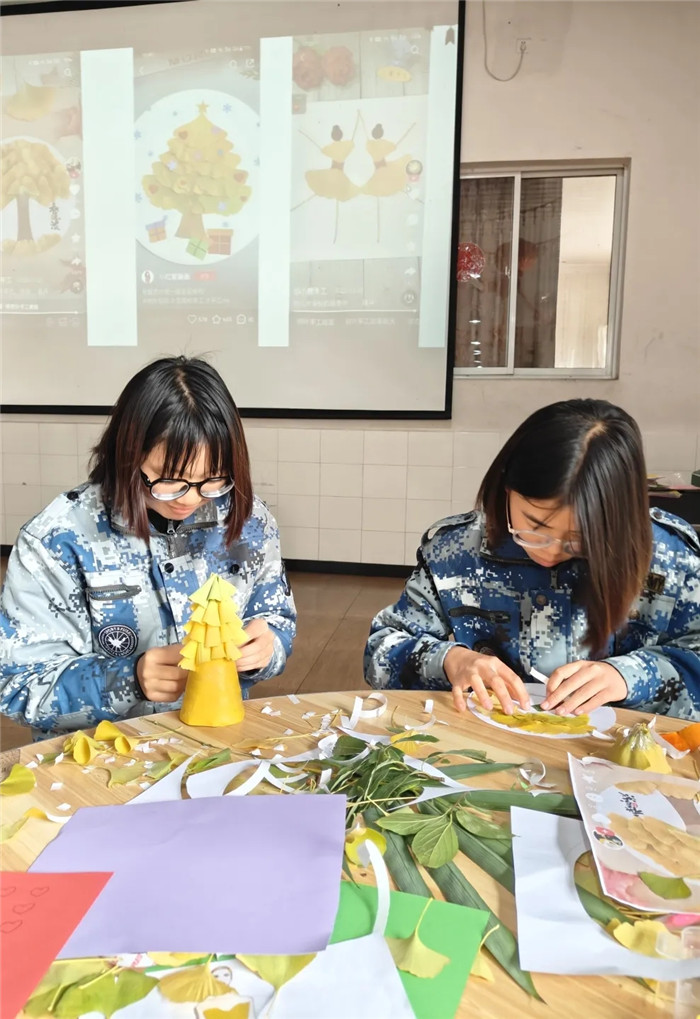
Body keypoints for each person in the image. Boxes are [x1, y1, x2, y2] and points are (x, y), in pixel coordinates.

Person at [0, 356, 296, 738]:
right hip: (102, 753)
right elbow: (19, 684)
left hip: (216, 742)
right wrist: (129, 679)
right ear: (128, 456)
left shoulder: (249, 520)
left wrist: (266, 649)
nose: (190, 498)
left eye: (213, 479)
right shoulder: (57, 540)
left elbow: (276, 619)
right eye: (169, 480)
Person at [364, 399, 700, 721]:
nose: (551, 552)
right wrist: (450, 660)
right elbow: (381, 649)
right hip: (488, 739)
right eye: (535, 527)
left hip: (622, 749)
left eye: (579, 539)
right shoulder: (456, 550)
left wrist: (630, 676)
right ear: (507, 487)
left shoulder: (668, 557)